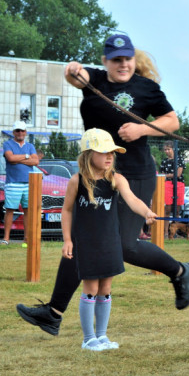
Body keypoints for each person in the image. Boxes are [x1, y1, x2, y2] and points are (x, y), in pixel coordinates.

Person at [16, 33, 189, 337]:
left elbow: (171, 121)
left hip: (135, 172)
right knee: (81, 240)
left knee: (125, 246)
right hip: (96, 173)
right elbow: (77, 76)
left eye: (127, 58)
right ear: (105, 62)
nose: (122, 64)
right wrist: (71, 68)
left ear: (133, 59)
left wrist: (141, 129)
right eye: (115, 59)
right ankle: (54, 313)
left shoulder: (146, 88)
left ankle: (179, 272)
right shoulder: (96, 79)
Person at [62, 129, 157, 351]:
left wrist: (146, 212)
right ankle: (88, 339)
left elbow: (133, 200)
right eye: (104, 152)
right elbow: (66, 211)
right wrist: (67, 240)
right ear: (88, 154)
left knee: (105, 288)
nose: (109, 157)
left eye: (112, 153)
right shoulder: (76, 181)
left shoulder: (116, 179)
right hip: (87, 243)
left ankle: (102, 336)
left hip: (109, 241)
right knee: (91, 288)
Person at [1, 120, 39, 246]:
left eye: (22, 130)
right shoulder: (7, 144)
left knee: (28, 210)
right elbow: (10, 158)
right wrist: (27, 157)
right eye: (17, 130)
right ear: (13, 132)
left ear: (25, 132)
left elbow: (36, 161)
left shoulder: (30, 146)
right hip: (13, 183)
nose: (20, 133)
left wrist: (20, 158)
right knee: (10, 210)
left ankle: (27, 239)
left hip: (29, 183)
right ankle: (6, 238)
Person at [159, 141, 185, 239]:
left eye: (168, 149)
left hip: (179, 184)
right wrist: (169, 175)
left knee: (177, 210)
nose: (167, 151)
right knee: (168, 209)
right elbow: (162, 175)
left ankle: (174, 232)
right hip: (167, 184)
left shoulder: (180, 159)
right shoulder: (164, 161)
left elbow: (178, 174)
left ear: (173, 149)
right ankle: (165, 232)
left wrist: (167, 175)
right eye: (165, 149)